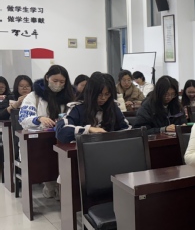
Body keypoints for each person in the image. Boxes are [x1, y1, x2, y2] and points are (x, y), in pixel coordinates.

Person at [19, 65, 75, 198]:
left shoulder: (70, 97)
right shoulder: (34, 96)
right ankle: (50, 185)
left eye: (62, 82)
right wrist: (39, 119)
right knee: (46, 158)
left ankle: (62, 187)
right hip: (39, 141)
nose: (58, 84)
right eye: (55, 81)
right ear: (47, 78)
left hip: (62, 139)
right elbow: (23, 119)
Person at [55, 72, 130, 143]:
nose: (103, 98)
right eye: (99, 94)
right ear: (91, 93)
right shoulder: (77, 108)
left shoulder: (113, 107)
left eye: (107, 94)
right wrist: (89, 129)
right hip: (85, 149)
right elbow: (62, 131)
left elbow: (127, 129)